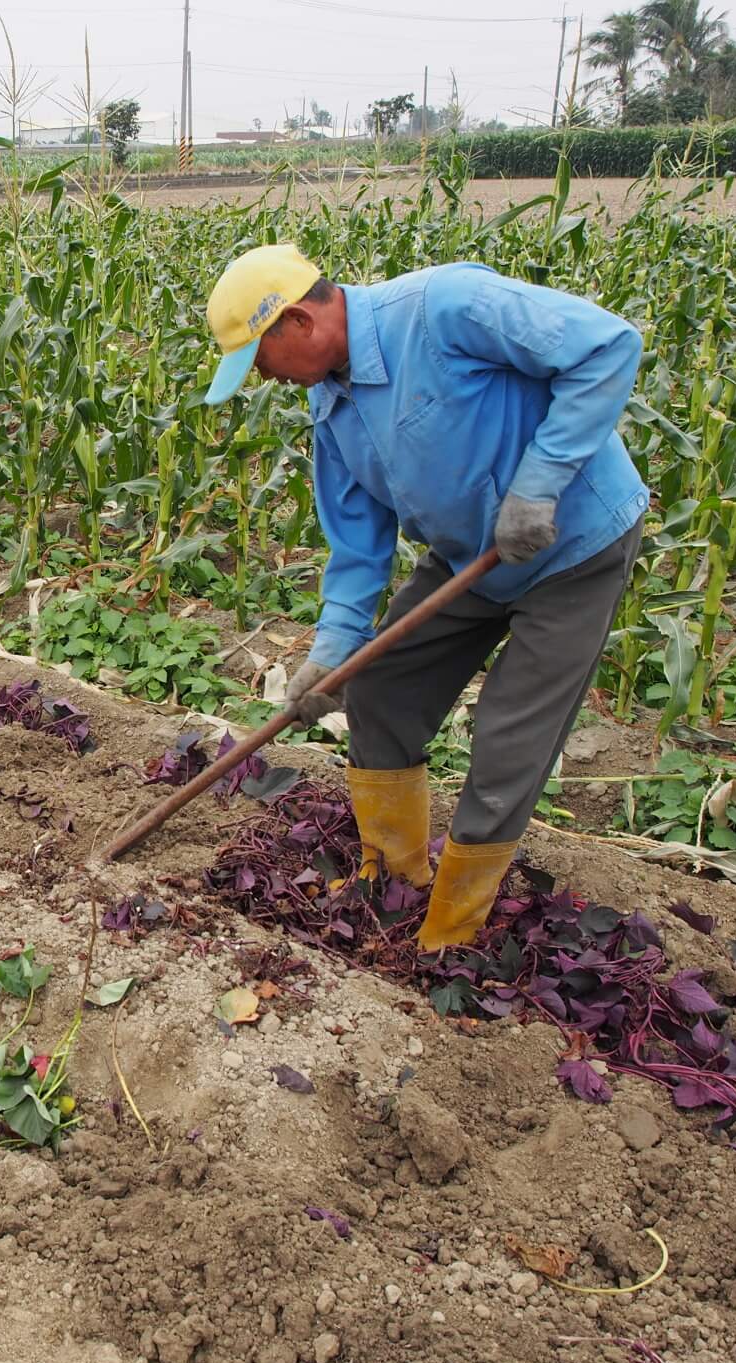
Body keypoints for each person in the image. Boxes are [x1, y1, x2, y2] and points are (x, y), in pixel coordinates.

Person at [202, 244, 647, 949]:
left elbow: (608, 347)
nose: (262, 377)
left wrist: (539, 484)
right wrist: (333, 653)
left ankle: (453, 928)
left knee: (507, 737)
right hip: (472, 555)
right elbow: (357, 548)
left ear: (298, 323)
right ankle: (394, 880)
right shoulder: (331, 410)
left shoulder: (443, 308)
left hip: (573, 546)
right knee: (381, 692)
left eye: (259, 358)